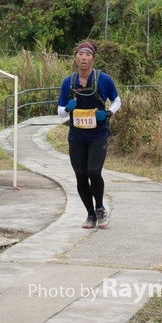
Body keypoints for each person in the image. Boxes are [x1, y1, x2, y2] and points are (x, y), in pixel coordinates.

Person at [57, 41, 121, 229]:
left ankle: (100, 208)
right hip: (76, 136)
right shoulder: (68, 82)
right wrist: (67, 108)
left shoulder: (104, 79)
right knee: (81, 174)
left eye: (87, 55)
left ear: (93, 58)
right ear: (75, 57)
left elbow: (117, 101)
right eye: (80, 54)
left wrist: (108, 113)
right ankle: (90, 214)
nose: (83, 58)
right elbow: (60, 112)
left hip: (98, 134)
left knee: (94, 171)